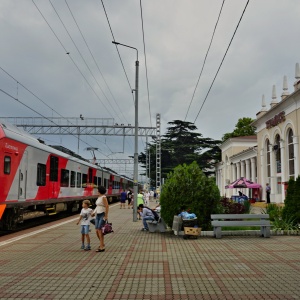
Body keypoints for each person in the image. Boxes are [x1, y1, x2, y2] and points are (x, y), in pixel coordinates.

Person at [92, 186, 109, 252]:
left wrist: (106, 215)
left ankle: (101, 247)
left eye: (98, 190)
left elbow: (107, 206)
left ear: (100, 191)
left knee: (100, 230)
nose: (97, 191)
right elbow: (97, 206)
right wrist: (94, 212)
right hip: (97, 215)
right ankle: (102, 244)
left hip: (102, 214)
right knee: (97, 230)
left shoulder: (104, 197)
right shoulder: (99, 197)